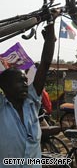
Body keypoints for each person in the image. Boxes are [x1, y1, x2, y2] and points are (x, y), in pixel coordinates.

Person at [0, 23, 56, 167]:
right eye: (19, 81)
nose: (25, 84)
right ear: (4, 86)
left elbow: (45, 64)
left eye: (26, 81)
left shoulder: (32, 102)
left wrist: (50, 39)